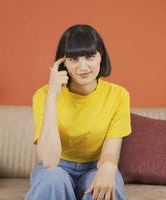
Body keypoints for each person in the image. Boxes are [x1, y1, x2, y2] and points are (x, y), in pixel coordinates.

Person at [25, 24, 131, 200]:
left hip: (95, 166)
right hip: (58, 167)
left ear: (101, 57)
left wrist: (109, 167)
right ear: (62, 62)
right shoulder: (43, 95)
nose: (83, 67)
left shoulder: (118, 95)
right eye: (74, 59)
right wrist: (52, 97)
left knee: (105, 187)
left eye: (90, 57)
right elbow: (50, 162)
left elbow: (110, 154)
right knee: (52, 179)